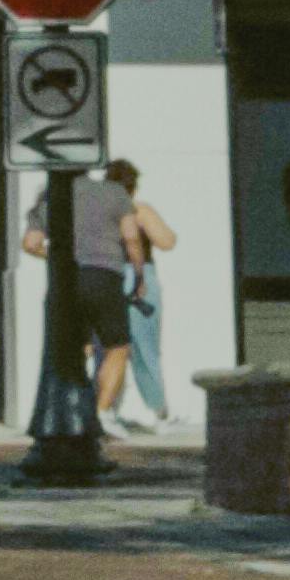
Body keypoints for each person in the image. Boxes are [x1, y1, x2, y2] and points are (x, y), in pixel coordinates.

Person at [18, 160, 134, 423]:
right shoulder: (114, 192)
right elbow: (131, 237)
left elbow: (30, 243)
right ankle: (101, 412)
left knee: (74, 347)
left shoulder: (48, 198)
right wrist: (138, 272)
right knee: (117, 346)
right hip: (105, 275)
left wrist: (57, 257)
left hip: (66, 281)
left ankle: (72, 412)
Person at [109, 159, 177, 426]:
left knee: (110, 347)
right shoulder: (140, 210)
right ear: (133, 186)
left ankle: (106, 407)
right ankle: (157, 409)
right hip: (140, 276)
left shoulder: (101, 212)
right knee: (145, 347)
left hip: (108, 276)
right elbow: (167, 241)